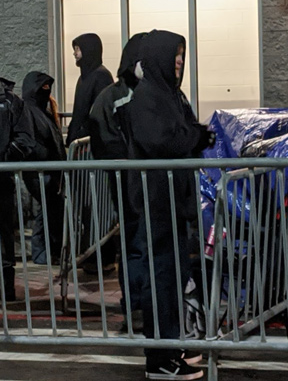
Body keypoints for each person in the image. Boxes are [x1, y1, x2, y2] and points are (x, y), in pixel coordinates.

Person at [121, 30, 214, 380]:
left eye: (181, 55)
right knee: (161, 279)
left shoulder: (169, 96)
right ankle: (159, 357)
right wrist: (197, 137)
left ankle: (172, 346)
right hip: (157, 201)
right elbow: (161, 140)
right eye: (174, 55)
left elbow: (182, 133)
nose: (179, 62)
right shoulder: (147, 98)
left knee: (174, 277)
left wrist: (195, 136)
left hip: (173, 201)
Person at [87, 32, 147, 332]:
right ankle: (136, 303)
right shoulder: (113, 97)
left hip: (155, 188)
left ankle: (150, 301)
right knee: (135, 243)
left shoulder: (162, 94)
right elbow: (104, 141)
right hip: (131, 187)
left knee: (153, 244)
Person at [21, 72, 66, 265]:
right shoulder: (29, 111)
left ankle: (49, 251)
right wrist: (46, 156)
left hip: (49, 170)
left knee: (51, 209)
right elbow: (31, 142)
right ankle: (41, 252)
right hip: (39, 171)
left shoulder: (41, 111)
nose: (46, 92)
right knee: (47, 209)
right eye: (43, 88)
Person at [0, 77, 35, 301]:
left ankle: (6, 289)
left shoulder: (11, 102)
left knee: (4, 237)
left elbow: (25, 140)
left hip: (1, 180)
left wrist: (3, 159)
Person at [66, 33, 114, 146]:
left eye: (78, 49)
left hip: (92, 141)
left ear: (88, 50)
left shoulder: (101, 76)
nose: (75, 53)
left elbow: (100, 112)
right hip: (82, 139)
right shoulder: (84, 77)